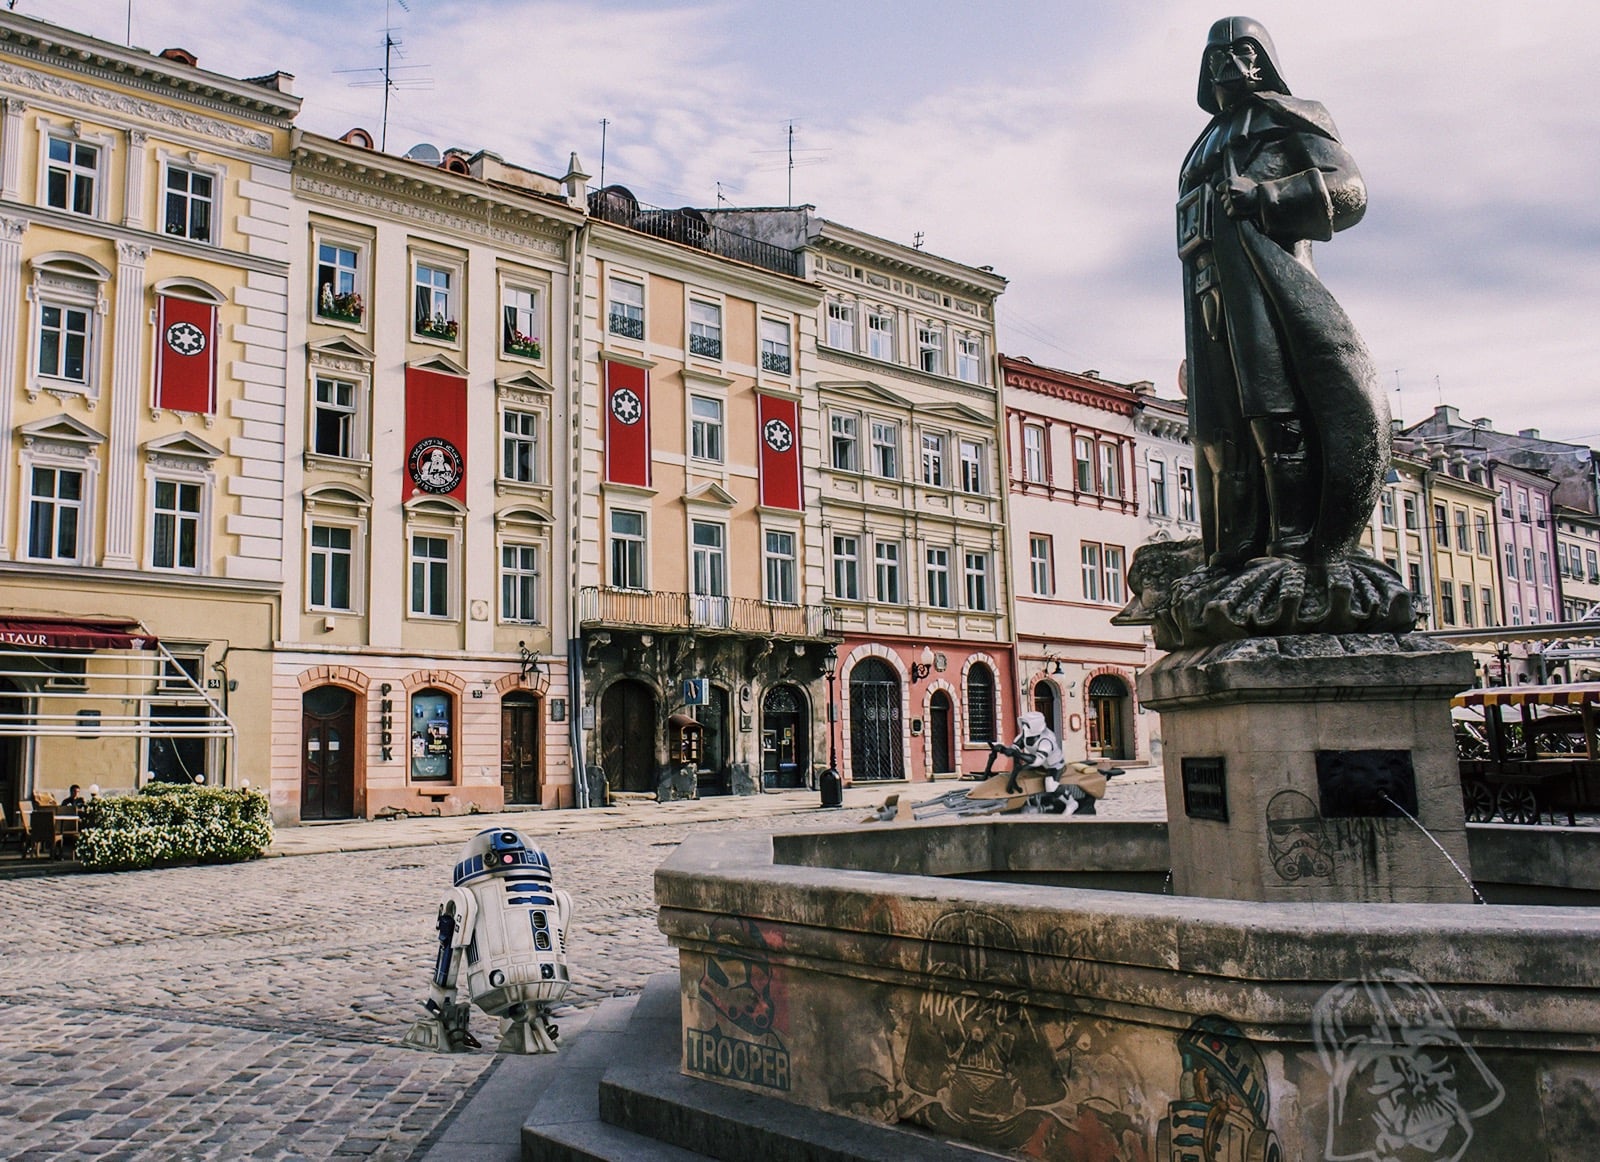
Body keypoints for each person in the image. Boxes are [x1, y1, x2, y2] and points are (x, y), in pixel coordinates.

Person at [1178, 16, 1385, 568]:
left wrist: (1267, 196)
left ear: (1263, 59)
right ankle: (1233, 551)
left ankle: (1292, 545)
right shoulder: (1200, 146)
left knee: (1277, 407)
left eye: (1243, 51)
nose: (1229, 64)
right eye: (1217, 55)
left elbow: (1351, 192)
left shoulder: (1290, 117)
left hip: (1267, 284)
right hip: (1206, 293)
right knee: (1220, 424)